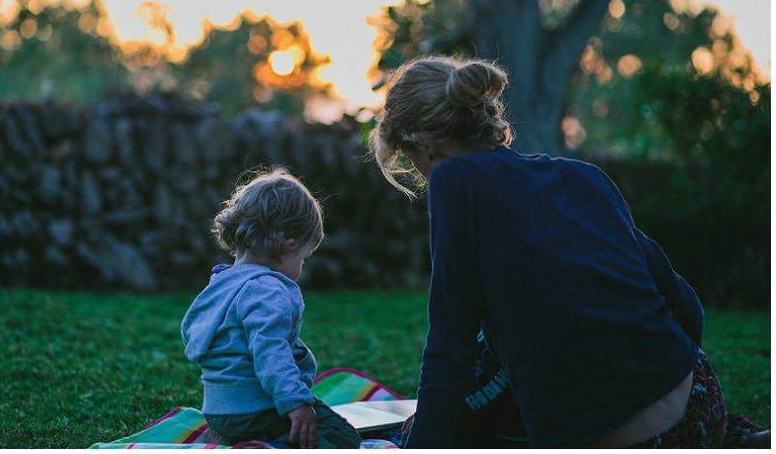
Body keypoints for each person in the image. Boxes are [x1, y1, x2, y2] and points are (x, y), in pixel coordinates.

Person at [367, 55, 769, 448]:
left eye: (410, 158)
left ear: (424, 145)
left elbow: (449, 350)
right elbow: (685, 306)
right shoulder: (583, 175)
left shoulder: (454, 179)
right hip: (700, 400)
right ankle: (732, 438)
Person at [180, 167, 362, 449]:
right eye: (303, 257)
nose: (300, 267)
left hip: (219, 411)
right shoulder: (267, 288)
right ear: (288, 247)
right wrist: (296, 403)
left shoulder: (222, 282)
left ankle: (228, 438)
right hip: (257, 408)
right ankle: (272, 448)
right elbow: (271, 352)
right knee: (341, 436)